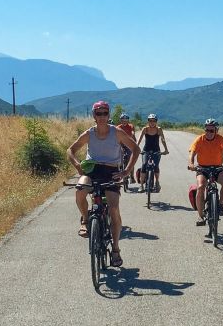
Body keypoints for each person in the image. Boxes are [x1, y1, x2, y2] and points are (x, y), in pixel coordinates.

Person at [68, 101, 140, 267]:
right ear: (94, 116)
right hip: (92, 170)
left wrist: (126, 171)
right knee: (80, 190)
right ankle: (85, 220)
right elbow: (70, 150)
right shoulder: (89, 133)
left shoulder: (117, 132)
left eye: (104, 113)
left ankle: (115, 249)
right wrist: (77, 165)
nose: (101, 117)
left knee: (113, 208)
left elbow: (135, 149)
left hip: (111, 172)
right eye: (98, 114)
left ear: (108, 115)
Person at [187, 118, 223, 226]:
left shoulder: (220, 139)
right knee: (200, 187)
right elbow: (192, 152)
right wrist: (191, 164)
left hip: (217, 168)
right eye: (207, 130)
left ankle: (220, 203)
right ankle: (200, 216)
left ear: (216, 131)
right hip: (202, 168)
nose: (209, 133)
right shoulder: (200, 139)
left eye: (211, 131)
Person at [136, 113, 169, 192]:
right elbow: (139, 139)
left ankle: (157, 182)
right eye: (150, 121)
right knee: (144, 165)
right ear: (148, 121)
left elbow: (163, 139)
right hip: (146, 150)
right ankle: (141, 186)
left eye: (154, 121)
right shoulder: (145, 129)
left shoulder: (159, 129)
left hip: (156, 150)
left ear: (156, 122)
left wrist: (165, 150)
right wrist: (136, 148)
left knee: (156, 166)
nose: (152, 122)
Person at [116, 113, 135, 186]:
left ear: (128, 121)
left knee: (131, 159)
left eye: (126, 120)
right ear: (120, 120)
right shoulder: (118, 127)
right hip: (120, 144)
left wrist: (134, 141)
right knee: (118, 158)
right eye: (123, 120)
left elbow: (132, 134)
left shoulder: (130, 126)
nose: (124, 122)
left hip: (128, 144)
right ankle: (119, 171)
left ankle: (132, 176)